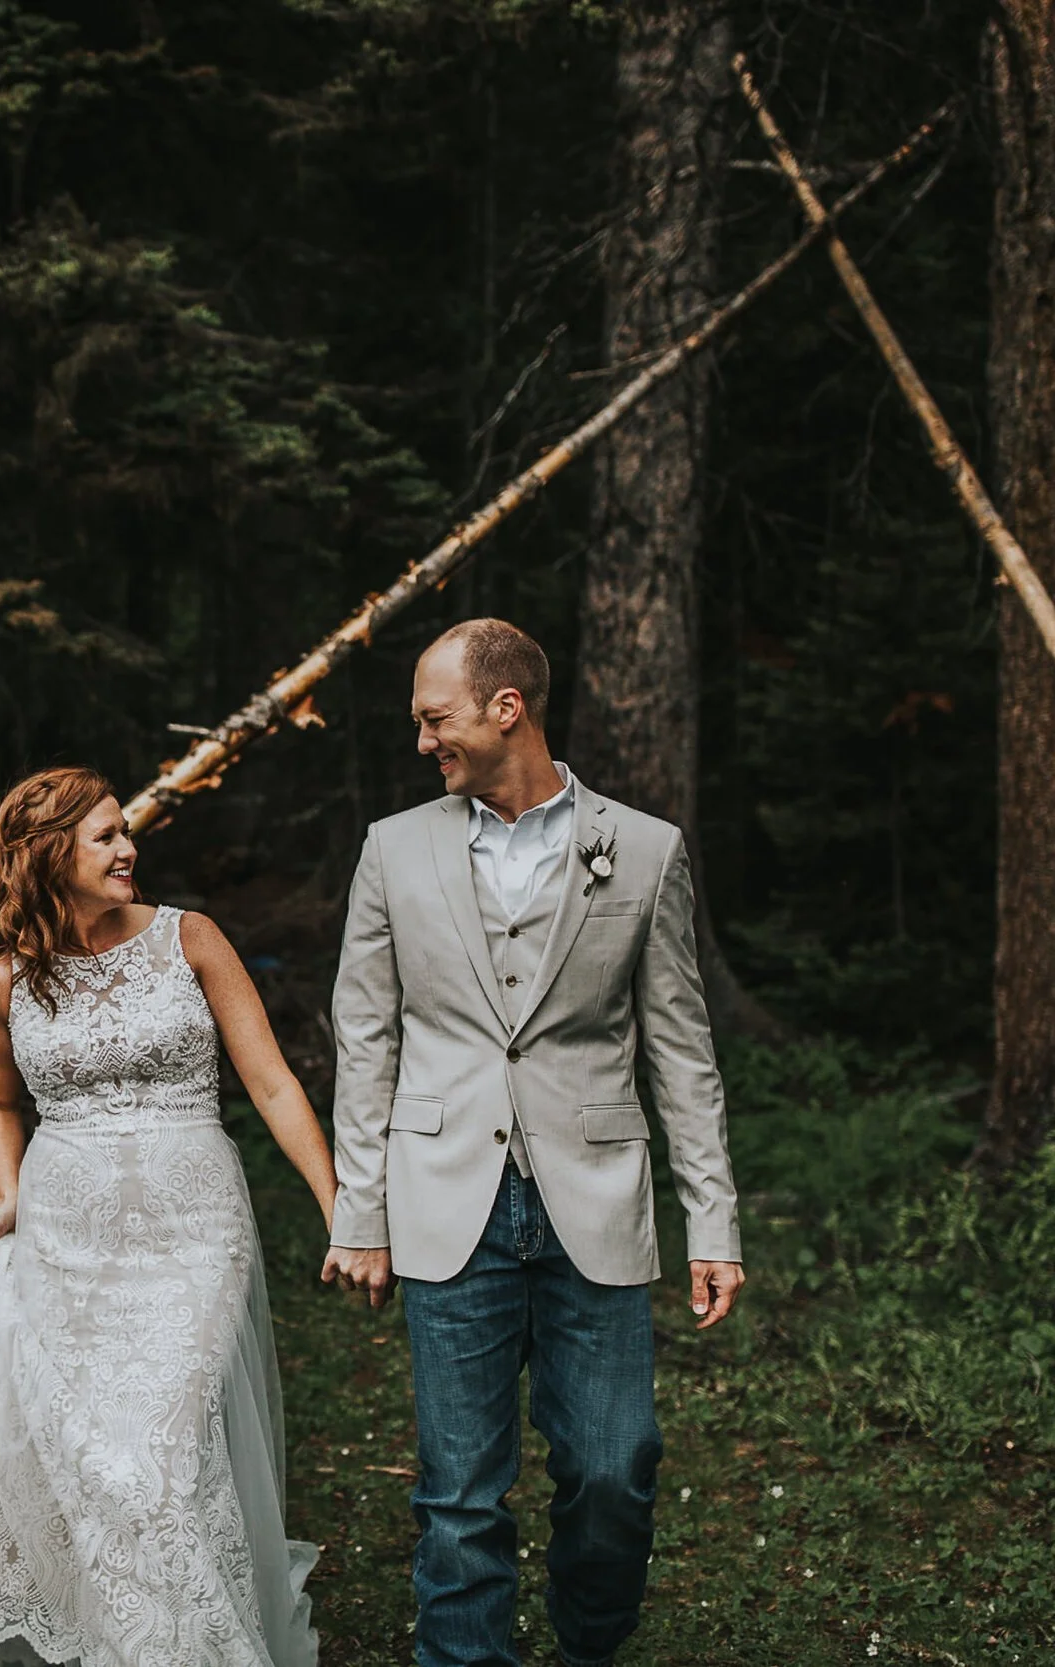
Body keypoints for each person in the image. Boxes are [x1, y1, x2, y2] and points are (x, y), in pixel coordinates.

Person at [0, 765, 335, 1667]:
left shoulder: (190, 939)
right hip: (67, 1236)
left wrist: (340, 1206)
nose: (130, 848)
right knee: (90, 1456)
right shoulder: (4, 978)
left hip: (193, 1228)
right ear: (49, 854)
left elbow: (274, 1081)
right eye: (107, 836)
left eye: (126, 831)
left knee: (161, 1453)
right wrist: (10, 1192)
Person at [322, 618, 745, 1667]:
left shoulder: (643, 849)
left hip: (593, 1194)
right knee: (459, 1487)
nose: (424, 740)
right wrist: (359, 1213)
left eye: (436, 717)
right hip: (442, 1194)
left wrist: (714, 1221)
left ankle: (588, 1645)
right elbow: (364, 1038)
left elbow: (682, 1052)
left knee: (613, 1465)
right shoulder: (392, 847)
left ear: (505, 706)